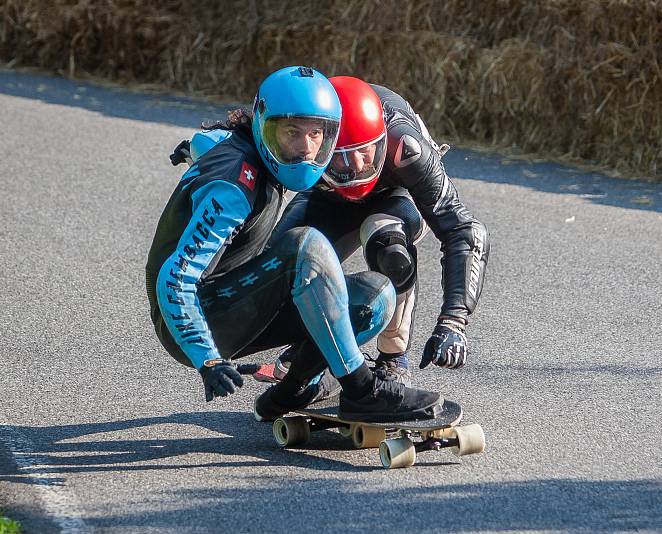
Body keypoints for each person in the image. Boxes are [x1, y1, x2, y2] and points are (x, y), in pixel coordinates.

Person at [145, 66, 443, 423]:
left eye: (317, 133)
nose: (304, 149)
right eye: (291, 132)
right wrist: (206, 357)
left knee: (375, 296)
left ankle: (294, 389)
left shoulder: (237, 143)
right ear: (263, 125)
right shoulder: (232, 191)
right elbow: (175, 279)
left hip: (239, 300)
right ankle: (363, 390)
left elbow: (208, 141)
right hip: (196, 320)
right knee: (306, 246)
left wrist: (192, 149)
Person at [265, 76, 490, 385]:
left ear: (382, 139)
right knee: (278, 265)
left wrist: (453, 322)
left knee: (389, 247)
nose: (355, 165)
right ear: (318, 139)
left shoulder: (405, 148)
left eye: (365, 151)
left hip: (397, 195)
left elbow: (464, 230)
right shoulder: (301, 136)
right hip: (327, 194)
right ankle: (311, 343)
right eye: (341, 154)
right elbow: (254, 132)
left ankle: (394, 359)